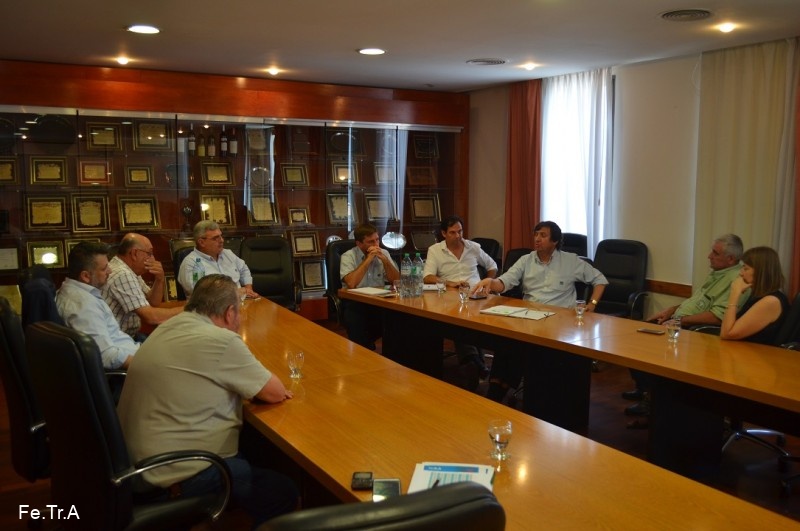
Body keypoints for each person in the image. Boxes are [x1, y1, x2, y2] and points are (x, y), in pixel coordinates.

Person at [117, 274, 298, 527]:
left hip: (134, 468)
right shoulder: (220, 340)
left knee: (255, 448)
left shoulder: (170, 326)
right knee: (283, 491)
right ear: (230, 312)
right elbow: (275, 392)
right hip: (173, 477)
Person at [471, 221, 608, 403]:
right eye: (536, 234)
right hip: (530, 317)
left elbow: (600, 280)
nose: (537, 239)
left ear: (555, 241)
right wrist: (491, 282)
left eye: (543, 235)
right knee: (507, 343)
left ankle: (500, 392)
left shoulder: (571, 261)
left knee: (520, 349)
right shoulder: (526, 260)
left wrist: (592, 304)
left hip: (559, 322)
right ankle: (496, 391)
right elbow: (505, 282)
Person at [623, 234, 746, 426]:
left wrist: (679, 321)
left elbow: (716, 316)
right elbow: (696, 303)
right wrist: (671, 310)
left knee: (646, 347)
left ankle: (653, 402)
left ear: (731, 259)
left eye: (715, 253)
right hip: (680, 322)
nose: (709, 256)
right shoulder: (718, 272)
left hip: (697, 333)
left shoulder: (736, 280)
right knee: (636, 336)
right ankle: (645, 390)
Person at [423, 215, 497, 390]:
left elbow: (492, 266)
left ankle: (473, 361)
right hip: (450, 296)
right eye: (453, 232)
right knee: (459, 320)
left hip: (476, 295)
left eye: (460, 231)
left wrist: (487, 284)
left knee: (471, 320)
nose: (458, 236)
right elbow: (427, 276)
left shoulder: (473, 247)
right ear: (444, 233)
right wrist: (449, 283)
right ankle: (476, 362)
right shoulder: (435, 250)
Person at [56, 241, 139, 369]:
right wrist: (148, 364)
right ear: (85, 276)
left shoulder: (74, 291)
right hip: (131, 369)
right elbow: (106, 356)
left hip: (133, 351)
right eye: (104, 268)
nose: (110, 271)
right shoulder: (83, 305)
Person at [102, 233, 183, 339]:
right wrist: (188, 309)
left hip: (128, 335)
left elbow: (153, 302)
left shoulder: (128, 269)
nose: (153, 258)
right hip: (118, 339)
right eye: (149, 253)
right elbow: (151, 317)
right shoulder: (123, 274)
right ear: (134, 253)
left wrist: (159, 279)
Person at [340, 223, 400, 350]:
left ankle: (391, 354)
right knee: (354, 318)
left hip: (379, 301)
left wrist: (385, 261)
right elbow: (351, 283)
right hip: (356, 302)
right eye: (371, 242)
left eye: (377, 240)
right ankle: (362, 351)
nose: (376, 245)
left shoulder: (384, 253)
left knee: (397, 317)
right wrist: (368, 259)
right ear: (359, 243)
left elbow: (397, 281)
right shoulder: (348, 256)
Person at [721, 246, 789, 344]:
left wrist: (734, 294)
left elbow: (727, 334)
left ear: (760, 272)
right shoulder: (758, 295)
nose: (741, 273)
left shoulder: (771, 301)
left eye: (746, 268)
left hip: (756, 353)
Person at [178, 220, 260, 299]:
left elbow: (244, 270)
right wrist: (235, 293)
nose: (222, 240)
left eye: (221, 236)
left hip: (241, 302)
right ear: (201, 242)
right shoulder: (191, 263)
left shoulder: (227, 254)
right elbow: (199, 293)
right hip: (209, 307)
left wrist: (248, 289)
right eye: (215, 238)